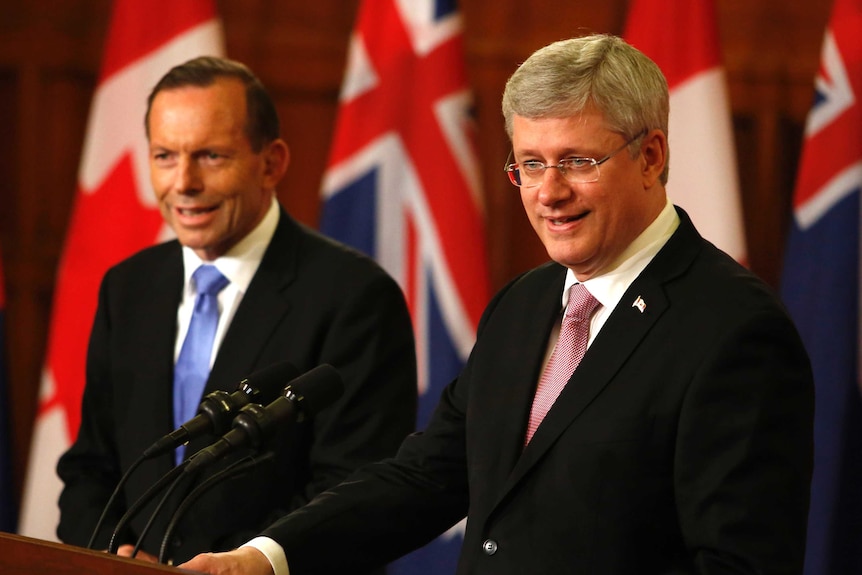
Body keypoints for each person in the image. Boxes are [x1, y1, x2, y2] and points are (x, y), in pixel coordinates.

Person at [181, 34, 814, 575]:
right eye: (530, 164)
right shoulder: (525, 303)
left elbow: (737, 565)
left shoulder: (733, 331)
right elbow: (428, 476)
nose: (549, 193)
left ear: (650, 156)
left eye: (576, 161)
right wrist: (264, 557)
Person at [55, 56, 418, 566]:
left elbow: (354, 487)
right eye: (164, 156)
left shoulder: (354, 298)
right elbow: (92, 466)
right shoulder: (129, 287)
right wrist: (112, 556)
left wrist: (240, 563)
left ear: (271, 163)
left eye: (209, 156)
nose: (183, 182)